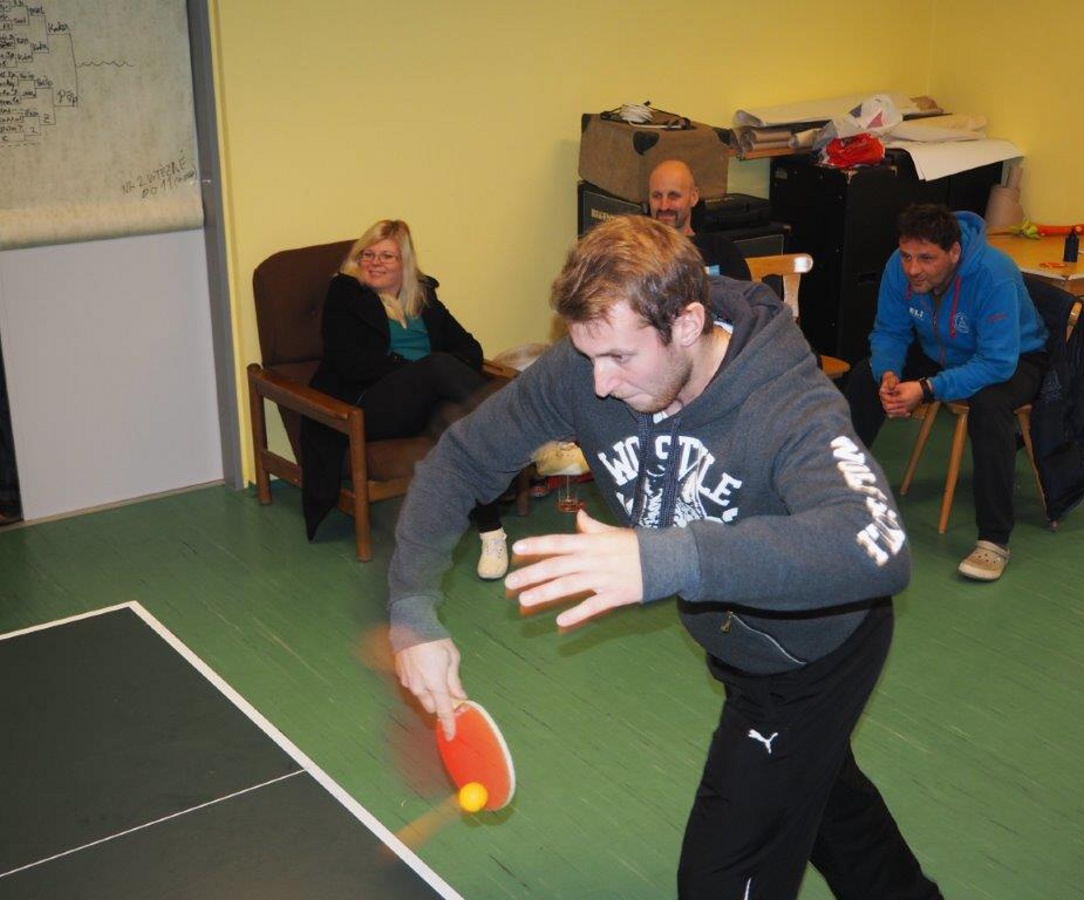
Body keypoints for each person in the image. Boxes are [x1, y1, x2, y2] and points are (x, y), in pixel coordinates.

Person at [388, 215, 941, 898]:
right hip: (739, 644)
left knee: (719, 876)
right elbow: (461, 461)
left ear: (687, 323)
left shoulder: (786, 403)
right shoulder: (587, 366)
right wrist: (412, 612)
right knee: (826, 800)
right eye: (587, 355)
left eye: (620, 358)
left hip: (814, 653)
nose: (597, 385)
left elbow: (876, 546)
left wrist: (667, 559)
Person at [843, 203, 1048, 582]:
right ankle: (833, 491)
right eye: (906, 256)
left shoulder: (994, 274)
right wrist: (889, 373)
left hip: (1015, 358)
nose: (912, 269)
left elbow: (997, 363)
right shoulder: (897, 268)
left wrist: (927, 388)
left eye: (926, 258)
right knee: (863, 377)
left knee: (989, 404)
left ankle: (994, 541)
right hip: (941, 349)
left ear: (954, 252)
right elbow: (890, 331)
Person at [299, 218, 509, 580]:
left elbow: (469, 348)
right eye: (368, 254)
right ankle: (518, 428)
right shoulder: (346, 294)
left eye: (386, 256)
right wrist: (415, 371)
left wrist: (430, 377)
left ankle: (492, 533)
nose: (374, 263)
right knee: (439, 368)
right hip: (368, 406)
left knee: (462, 424)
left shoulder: (422, 297)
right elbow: (351, 364)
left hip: (426, 402)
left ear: (404, 263)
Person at [648, 159, 751, 280]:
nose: (664, 206)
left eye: (673, 196)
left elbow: (743, 291)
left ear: (693, 197)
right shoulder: (637, 253)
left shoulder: (722, 251)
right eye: (657, 196)